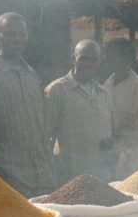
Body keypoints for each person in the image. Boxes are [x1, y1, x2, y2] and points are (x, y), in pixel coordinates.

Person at [0, 13, 54, 196]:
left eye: (22, 34)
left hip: (42, 181)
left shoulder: (30, 74)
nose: (17, 39)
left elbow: (41, 130)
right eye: (10, 34)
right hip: (8, 185)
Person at [45, 40, 113, 183]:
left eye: (94, 59)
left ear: (100, 61)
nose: (88, 64)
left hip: (100, 176)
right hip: (68, 177)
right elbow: (46, 137)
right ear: (73, 58)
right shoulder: (57, 90)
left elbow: (107, 135)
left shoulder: (104, 93)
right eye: (83, 58)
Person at [102, 38, 138, 179]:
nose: (108, 59)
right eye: (107, 55)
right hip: (110, 156)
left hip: (134, 157)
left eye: (112, 55)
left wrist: (116, 138)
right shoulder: (107, 84)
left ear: (127, 58)